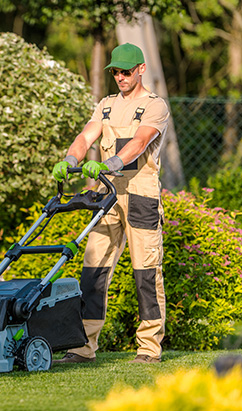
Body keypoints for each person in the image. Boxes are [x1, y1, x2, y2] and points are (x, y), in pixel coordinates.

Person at [52, 43, 170, 364]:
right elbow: (85, 137)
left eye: (126, 71)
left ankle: (149, 348)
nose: (120, 77)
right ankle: (83, 347)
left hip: (140, 196)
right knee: (93, 270)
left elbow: (140, 142)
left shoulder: (154, 106)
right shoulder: (105, 106)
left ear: (141, 70)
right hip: (107, 196)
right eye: (116, 71)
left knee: (146, 272)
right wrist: (70, 160)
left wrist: (109, 164)